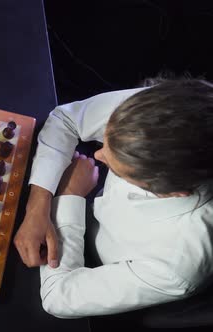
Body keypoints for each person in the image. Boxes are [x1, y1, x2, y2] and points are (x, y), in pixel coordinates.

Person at [13, 78, 213, 318]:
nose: (97, 155)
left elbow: (59, 297)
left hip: (91, 263)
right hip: (70, 207)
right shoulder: (164, 111)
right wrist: (38, 204)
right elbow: (66, 119)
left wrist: (69, 196)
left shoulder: (180, 264)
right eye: (105, 140)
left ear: (173, 193)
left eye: (119, 169)